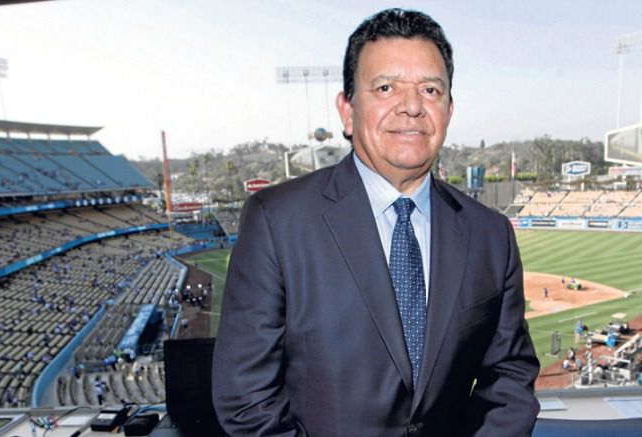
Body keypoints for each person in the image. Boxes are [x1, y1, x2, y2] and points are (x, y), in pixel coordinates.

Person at [212, 8, 539, 436]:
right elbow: (245, 398)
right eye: (386, 87)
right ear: (347, 111)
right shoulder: (277, 220)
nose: (411, 107)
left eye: (430, 90)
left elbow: (510, 377)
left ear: (449, 110)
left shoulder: (490, 234)